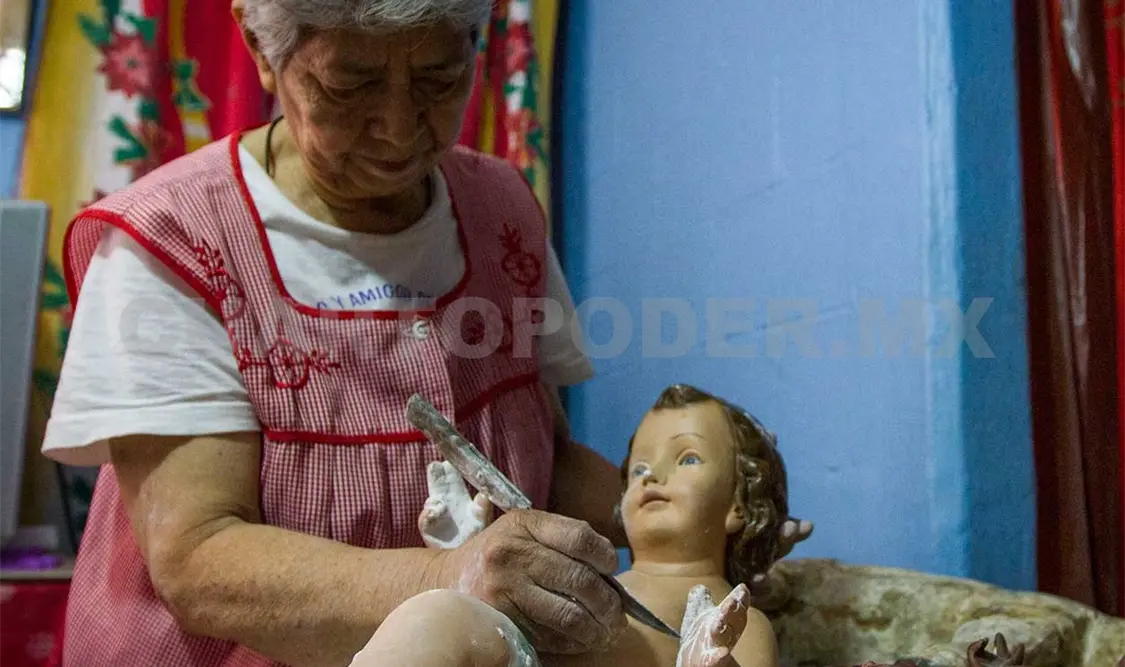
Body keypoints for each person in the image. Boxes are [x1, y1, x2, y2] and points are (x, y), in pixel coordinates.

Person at [41, 1, 812, 665]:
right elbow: (199, 559)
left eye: (441, 77)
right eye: (352, 83)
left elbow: (535, 457)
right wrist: (451, 574)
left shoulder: (499, 207)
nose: (401, 126)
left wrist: (700, 514)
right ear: (259, 47)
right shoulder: (171, 241)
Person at [350, 384, 787, 667]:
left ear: (740, 506)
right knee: (437, 615)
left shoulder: (737, 619)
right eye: (638, 469)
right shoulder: (594, 583)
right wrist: (470, 563)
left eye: (687, 458)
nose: (651, 477)